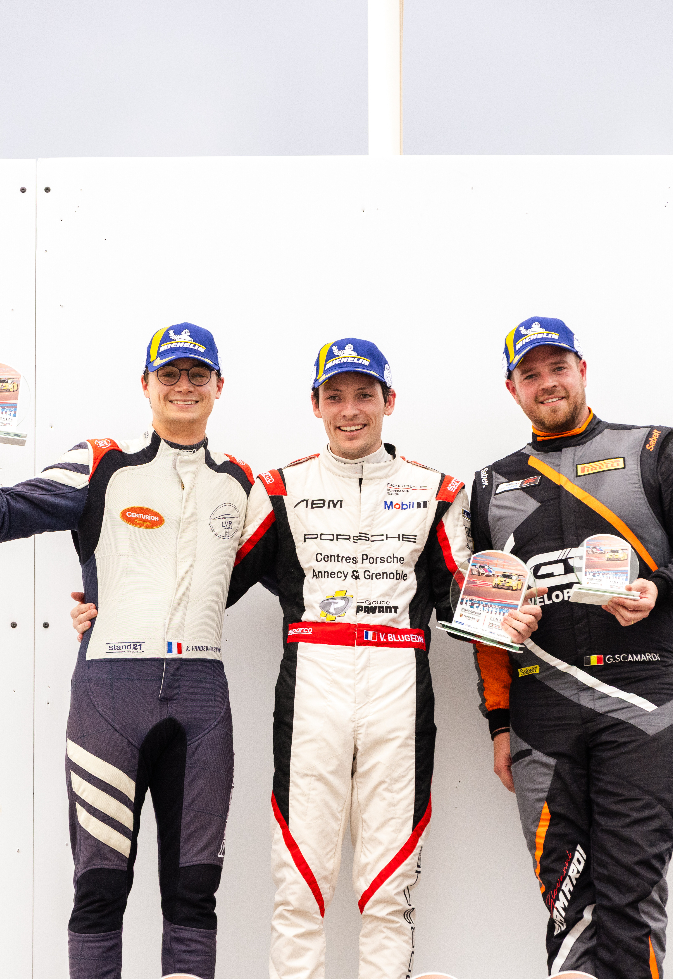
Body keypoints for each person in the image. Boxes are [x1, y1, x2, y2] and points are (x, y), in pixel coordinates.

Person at [72, 338, 542, 979]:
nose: (350, 410)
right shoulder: (280, 488)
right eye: (335, 395)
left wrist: (508, 617)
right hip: (312, 691)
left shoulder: (437, 491)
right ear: (315, 405)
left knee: (389, 884)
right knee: (299, 882)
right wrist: (115, 609)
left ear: (388, 401)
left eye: (364, 395)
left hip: (399, 692)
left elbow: (462, 594)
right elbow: (209, 581)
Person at [0, 323, 252, 979]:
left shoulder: (245, 483)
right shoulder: (101, 462)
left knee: (195, 893)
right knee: (100, 888)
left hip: (203, 708)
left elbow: (294, 575)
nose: (184, 386)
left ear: (219, 386)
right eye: (170, 374)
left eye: (198, 374)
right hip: (111, 701)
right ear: (145, 385)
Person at [466, 317, 673, 979]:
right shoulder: (491, 484)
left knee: (631, 892)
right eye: (530, 374)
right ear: (512, 388)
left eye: (558, 367)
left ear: (582, 370)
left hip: (641, 704)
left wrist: (660, 587)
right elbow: (482, 620)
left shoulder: (651, 448)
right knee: (567, 903)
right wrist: (499, 723)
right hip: (541, 716)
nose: (547, 383)